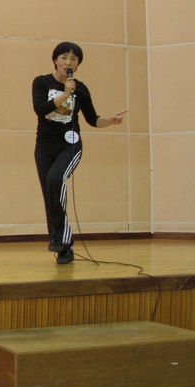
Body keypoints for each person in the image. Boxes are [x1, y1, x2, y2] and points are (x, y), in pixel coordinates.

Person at [32, 42, 126, 264]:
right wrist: (66, 94)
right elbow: (41, 109)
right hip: (44, 147)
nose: (68, 62)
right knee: (49, 191)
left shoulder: (80, 89)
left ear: (78, 64)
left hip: (70, 145)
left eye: (74, 59)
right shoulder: (41, 82)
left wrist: (110, 121)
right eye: (64, 57)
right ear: (55, 60)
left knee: (56, 179)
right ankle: (63, 247)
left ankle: (61, 239)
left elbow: (93, 119)